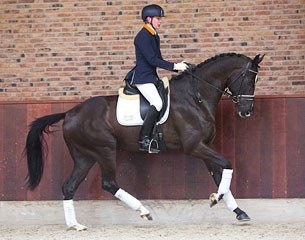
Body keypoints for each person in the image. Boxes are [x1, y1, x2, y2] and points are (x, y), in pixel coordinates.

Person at [131, 4, 189, 153]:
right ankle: (144, 139)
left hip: (151, 77)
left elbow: (159, 59)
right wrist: (174, 66)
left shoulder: (153, 35)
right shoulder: (143, 36)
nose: (160, 21)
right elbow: (152, 60)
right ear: (148, 19)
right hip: (143, 78)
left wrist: (179, 67)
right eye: (158, 18)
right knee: (156, 103)